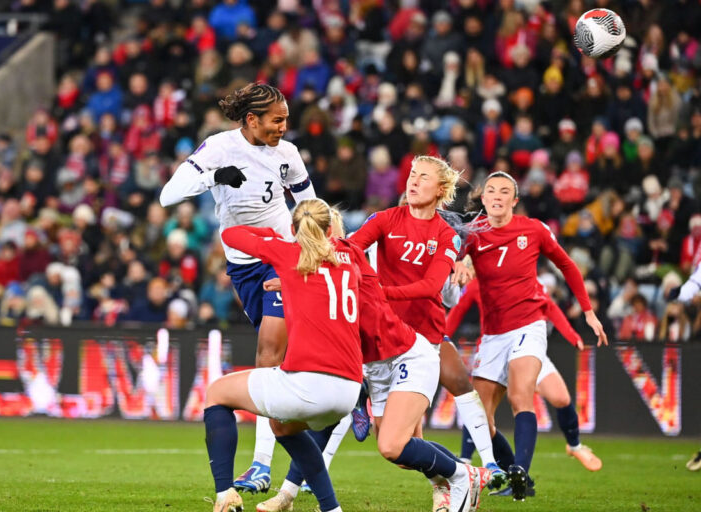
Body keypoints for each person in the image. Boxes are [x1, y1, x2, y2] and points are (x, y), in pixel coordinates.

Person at [257, 208, 493, 512]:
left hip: (409, 346)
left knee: (382, 438)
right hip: (373, 355)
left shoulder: (351, 258)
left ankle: (464, 475)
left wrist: (457, 260)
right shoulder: (353, 248)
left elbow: (440, 292)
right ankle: (460, 475)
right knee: (399, 450)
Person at [160, 83, 316, 494]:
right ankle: (350, 394)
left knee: (269, 353)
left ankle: (261, 465)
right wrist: (214, 176)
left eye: (285, 119)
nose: (284, 127)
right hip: (242, 264)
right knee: (282, 359)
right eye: (277, 120)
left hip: (283, 256)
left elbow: (306, 199)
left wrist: (312, 242)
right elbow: (167, 195)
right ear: (252, 120)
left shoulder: (288, 153)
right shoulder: (219, 148)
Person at [349, 156, 507, 494]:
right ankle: (460, 476)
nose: (414, 181)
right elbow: (351, 248)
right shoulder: (385, 219)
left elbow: (430, 286)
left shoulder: (446, 235)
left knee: (399, 441)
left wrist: (379, 291)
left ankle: (474, 474)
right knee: (402, 452)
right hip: (383, 336)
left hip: (421, 340)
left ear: (441, 189)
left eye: (423, 177)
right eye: (411, 174)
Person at [458, 171, 608, 500]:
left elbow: (567, 265)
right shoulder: (471, 236)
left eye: (505, 191)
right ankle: (518, 478)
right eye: (491, 191)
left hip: (528, 325)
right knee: (480, 415)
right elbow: (450, 262)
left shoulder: (534, 229)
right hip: (493, 334)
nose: (496, 195)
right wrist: (458, 264)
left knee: (521, 394)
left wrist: (587, 311)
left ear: (514, 201)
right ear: (483, 199)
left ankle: (522, 469)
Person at [206, 199, 362, 512]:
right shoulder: (352, 257)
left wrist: (274, 234)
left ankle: (225, 496)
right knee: (283, 427)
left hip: (308, 384)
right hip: (348, 391)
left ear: (294, 230)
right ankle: (331, 508)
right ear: (331, 228)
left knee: (217, 393)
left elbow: (232, 235)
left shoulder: (289, 253)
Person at [445, 278, 603, 473]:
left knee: (561, 397)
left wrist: (570, 334)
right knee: (483, 413)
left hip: (527, 346)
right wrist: (441, 339)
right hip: (496, 350)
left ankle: (575, 446)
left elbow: (548, 306)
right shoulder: (480, 282)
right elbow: (458, 310)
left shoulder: (523, 275)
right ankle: (468, 459)